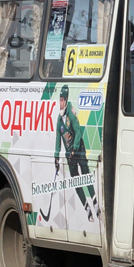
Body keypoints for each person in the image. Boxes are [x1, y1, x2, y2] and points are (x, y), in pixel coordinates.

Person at [54, 84, 99, 221]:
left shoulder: (71, 114)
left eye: (62, 100)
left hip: (78, 150)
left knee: (85, 175)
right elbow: (58, 139)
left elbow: (78, 131)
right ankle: (87, 208)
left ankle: (95, 203)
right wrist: (56, 157)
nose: (60, 103)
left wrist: (74, 148)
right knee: (76, 181)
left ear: (66, 100)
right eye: (59, 100)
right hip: (69, 156)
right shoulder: (59, 119)